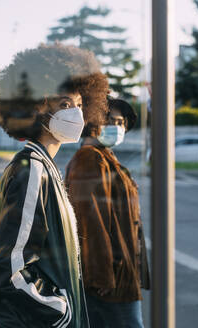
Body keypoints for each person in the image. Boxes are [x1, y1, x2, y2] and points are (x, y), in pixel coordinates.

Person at [0, 44, 109, 328]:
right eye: (65, 104)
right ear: (37, 106)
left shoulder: (43, 166)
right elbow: (10, 265)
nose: (76, 114)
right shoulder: (33, 170)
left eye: (79, 105)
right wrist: (57, 309)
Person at [65, 97, 151, 328]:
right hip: (110, 277)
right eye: (109, 120)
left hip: (117, 271)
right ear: (92, 122)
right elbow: (89, 219)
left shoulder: (103, 156)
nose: (117, 127)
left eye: (121, 122)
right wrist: (100, 273)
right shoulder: (89, 158)